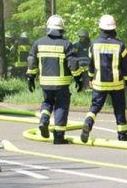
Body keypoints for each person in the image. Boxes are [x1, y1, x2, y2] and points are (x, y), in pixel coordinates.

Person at [26, 15, 84, 144]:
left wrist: (30, 77)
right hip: (62, 84)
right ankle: (58, 137)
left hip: (45, 83)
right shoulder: (66, 44)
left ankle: (43, 120)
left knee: (47, 102)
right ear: (61, 29)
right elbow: (73, 64)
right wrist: (79, 78)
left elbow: (31, 61)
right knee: (61, 107)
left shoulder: (38, 43)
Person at [80, 14, 127, 142]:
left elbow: (91, 64)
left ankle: (88, 123)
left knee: (95, 107)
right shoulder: (120, 45)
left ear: (101, 28)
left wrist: (91, 78)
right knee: (119, 109)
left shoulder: (94, 45)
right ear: (114, 28)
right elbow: (126, 66)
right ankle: (122, 136)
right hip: (116, 84)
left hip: (99, 83)